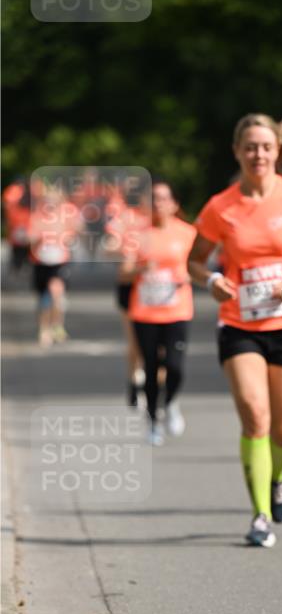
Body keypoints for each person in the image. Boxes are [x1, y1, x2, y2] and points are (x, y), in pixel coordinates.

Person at [188, 113, 282, 548]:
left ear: (277, 151)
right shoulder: (220, 206)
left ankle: (278, 478)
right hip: (239, 324)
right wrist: (211, 279)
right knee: (254, 414)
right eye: (250, 147)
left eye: (265, 147)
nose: (257, 154)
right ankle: (260, 514)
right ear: (237, 152)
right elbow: (194, 260)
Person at [124, 180, 196, 445]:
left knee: (174, 367)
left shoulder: (187, 233)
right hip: (145, 312)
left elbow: (198, 267)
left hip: (177, 310)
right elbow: (123, 272)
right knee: (151, 366)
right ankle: (153, 420)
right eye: (154, 198)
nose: (159, 204)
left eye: (164, 198)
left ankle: (171, 402)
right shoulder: (138, 234)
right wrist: (141, 268)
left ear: (175, 204)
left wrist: (186, 276)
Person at [105, 180, 151, 407]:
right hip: (130, 285)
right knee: (135, 340)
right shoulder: (126, 218)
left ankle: (156, 385)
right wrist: (125, 251)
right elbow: (109, 246)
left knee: (160, 344)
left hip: (157, 288)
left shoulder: (165, 223)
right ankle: (135, 379)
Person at [29, 185, 82, 346]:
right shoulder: (37, 217)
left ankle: (54, 326)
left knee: (55, 293)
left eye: (53, 199)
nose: (49, 202)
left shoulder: (65, 216)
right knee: (44, 298)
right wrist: (39, 238)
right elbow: (30, 238)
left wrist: (69, 237)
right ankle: (45, 326)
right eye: (47, 199)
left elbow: (78, 229)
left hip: (59, 262)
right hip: (41, 262)